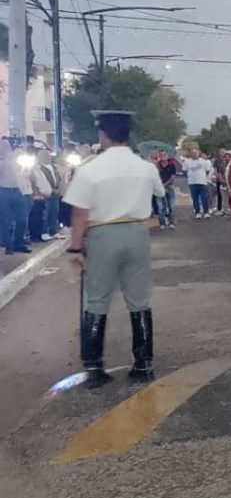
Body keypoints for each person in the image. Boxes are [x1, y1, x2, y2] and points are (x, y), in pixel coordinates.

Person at [63, 111, 166, 387]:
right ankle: (144, 364)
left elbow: (79, 214)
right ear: (128, 134)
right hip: (136, 232)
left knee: (97, 299)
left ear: (102, 135)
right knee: (139, 299)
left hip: (102, 234)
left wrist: (75, 249)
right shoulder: (145, 167)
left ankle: (94, 368)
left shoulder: (89, 169)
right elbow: (160, 193)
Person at [0, 139, 26, 254]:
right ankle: (8, 245)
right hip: (3, 191)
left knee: (22, 218)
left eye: (7, 145)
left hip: (17, 190)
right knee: (5, 220)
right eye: (3, 145)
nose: (6, 147)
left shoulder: (15, 159)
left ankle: (18, 242)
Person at [182, 149, 213, 219]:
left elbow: (207, 171)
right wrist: (189, 177)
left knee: (204, 198)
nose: (194, 154)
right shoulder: (187, 162)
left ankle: (206, 212)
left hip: (202, 182)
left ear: (198, 153)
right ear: (190, 154)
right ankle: (197, 212)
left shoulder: (203, 161)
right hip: (192, 183)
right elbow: (184, 171)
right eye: (193, 153)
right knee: (195, 198)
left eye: (196, 153)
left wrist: (202, 177)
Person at [153, 150, 178, 230]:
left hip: (169, 187)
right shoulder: (157, 166)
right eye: (162, 154)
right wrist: (160, 186)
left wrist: (164, 185)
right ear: (160, 156)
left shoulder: (172, 165)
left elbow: (172, 178)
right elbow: (155, 177)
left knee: (171, 206)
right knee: (161, 207)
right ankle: (162, 223)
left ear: (167, 156)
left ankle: (171, 222)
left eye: (165, 154)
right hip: (159, 189)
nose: (163, 156)